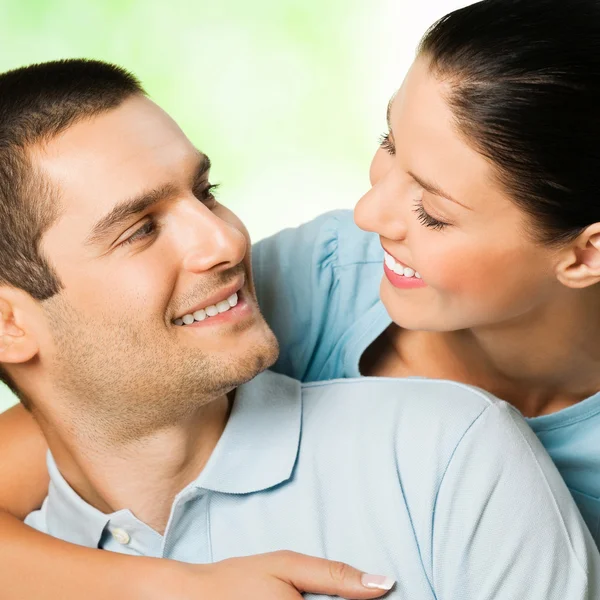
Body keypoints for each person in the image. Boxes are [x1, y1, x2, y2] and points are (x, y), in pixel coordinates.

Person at [2, 0, 600, 594]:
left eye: (434, 212)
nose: (368, 213)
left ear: (584, 255)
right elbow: (88, 428)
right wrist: (172, 588)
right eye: (388, 144)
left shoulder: (458, 446)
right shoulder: (317, 281)